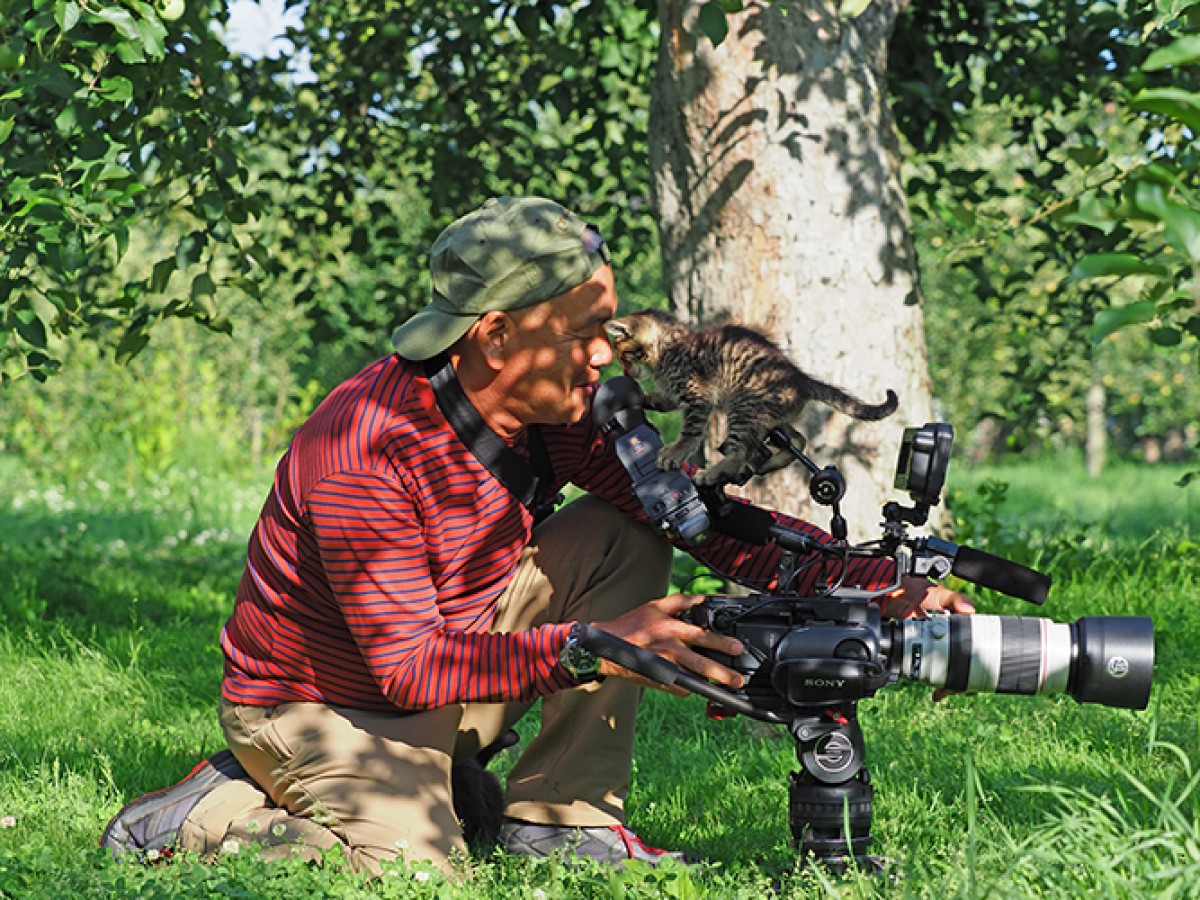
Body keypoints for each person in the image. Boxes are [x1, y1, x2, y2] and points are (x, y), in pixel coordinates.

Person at [100, 196, 973, 875]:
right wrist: (595, 647)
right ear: (495, 334)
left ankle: (563, 824)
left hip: (452, 666)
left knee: (619, 532)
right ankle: (210, 815)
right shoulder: (367, 449)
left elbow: (695, 520)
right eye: (584, 334)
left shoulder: (559, 408)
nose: (610, 354)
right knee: (414, 875)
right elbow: (404, 668)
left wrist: (870, 580)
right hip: (328, 705)